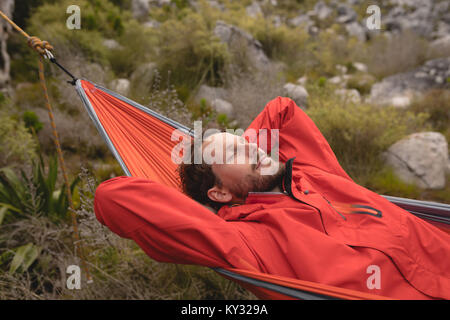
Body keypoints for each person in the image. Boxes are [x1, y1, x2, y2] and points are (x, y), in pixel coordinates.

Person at [94, 97, 450, 300]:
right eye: (233, 154)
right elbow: (112, 198)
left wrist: (242, 154)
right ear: (219, 192)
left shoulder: (311, 172)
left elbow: (283, 109)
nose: (252, 148)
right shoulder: (242, 240)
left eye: (245, 141)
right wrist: (202, 200)